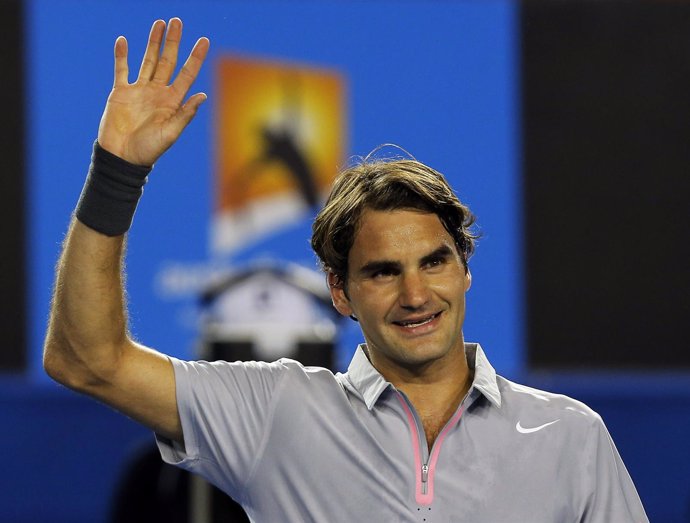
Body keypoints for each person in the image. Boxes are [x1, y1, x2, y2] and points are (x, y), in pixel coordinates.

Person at [44, 18, 649, 522]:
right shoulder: (276, 413)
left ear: (465, 269)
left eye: (434, 261)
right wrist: (116, 171)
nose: (416, 294)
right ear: (341, 292)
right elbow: (86, 359)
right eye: (384, 272)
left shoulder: (570, 436)